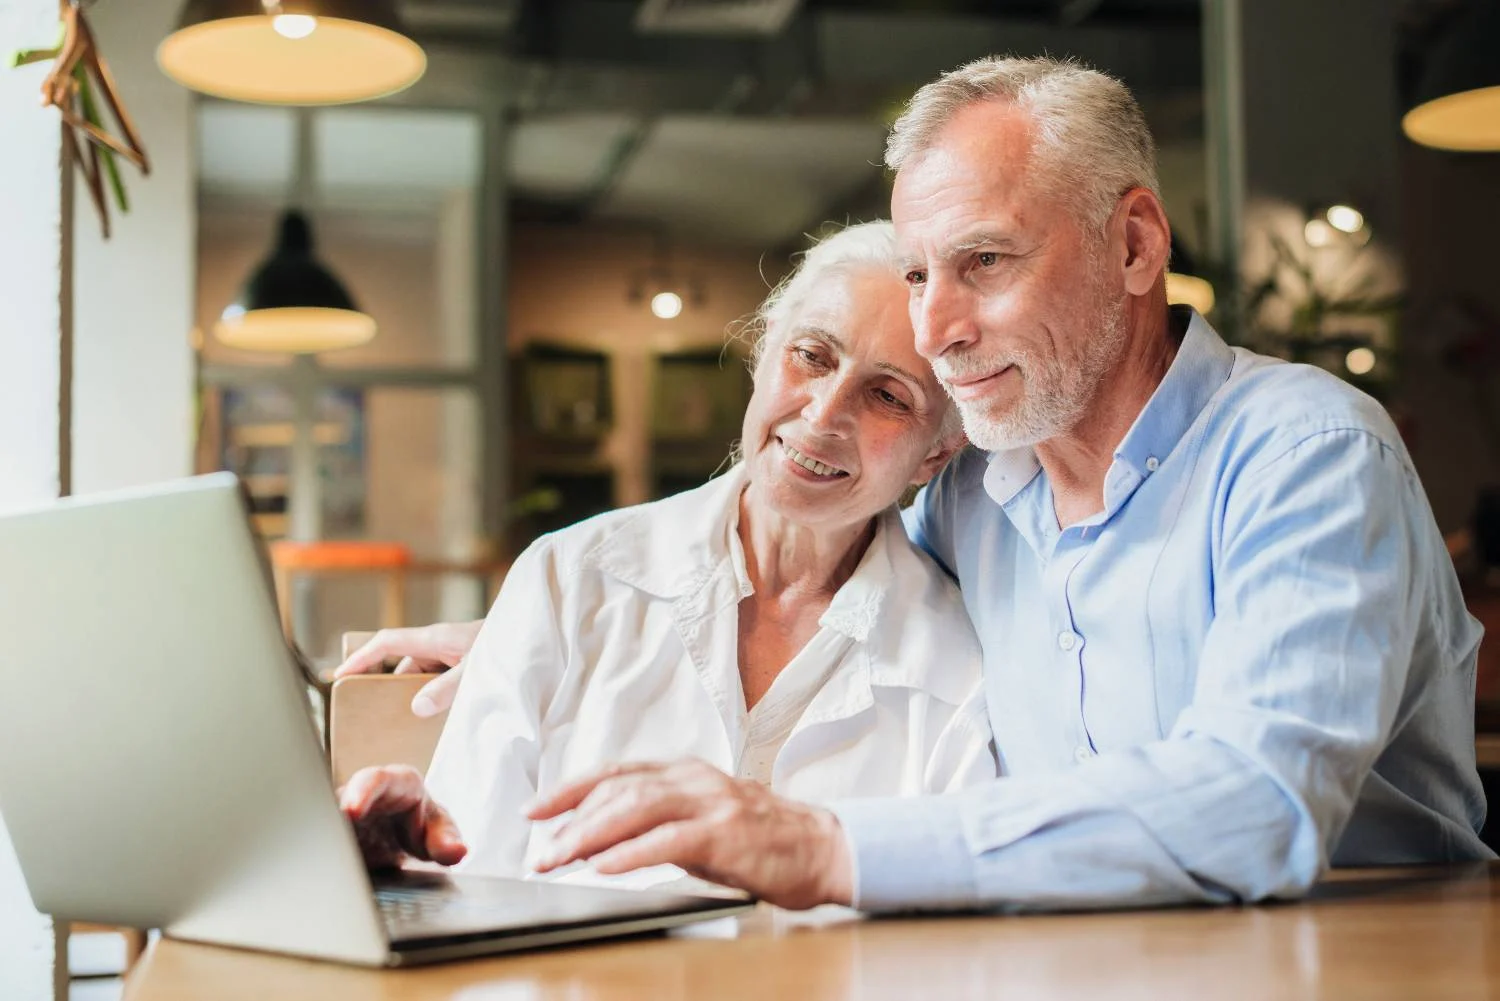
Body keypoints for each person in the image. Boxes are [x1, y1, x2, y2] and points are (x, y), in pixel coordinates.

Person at [346, 55, 1493, 912]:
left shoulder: (1306, 455)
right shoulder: (974, 498)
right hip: (1084, 963)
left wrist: (827, 845)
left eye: (984, 263)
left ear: (1136, 247)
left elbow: (1258, 802)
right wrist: (541, 617)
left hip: (1353, 962)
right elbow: (803, 563)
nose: (938, 328)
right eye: (917, 271)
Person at [337, 222, 997, 884]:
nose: (825, 414)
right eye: (812, 356)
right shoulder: (566, 579)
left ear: (935, 452)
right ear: (765, 352)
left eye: (887, 395)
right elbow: (469, 876)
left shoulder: (956, 667)